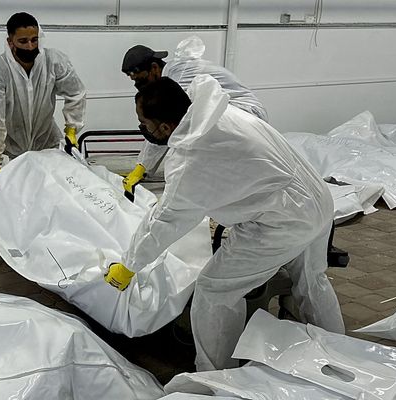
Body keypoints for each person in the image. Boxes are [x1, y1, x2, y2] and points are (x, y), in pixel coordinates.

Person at [104, 76, 344, 372]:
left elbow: (164, 222)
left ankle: (217, 374)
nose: (143, 129)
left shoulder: (191, 161)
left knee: (215, 290)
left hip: (285, 220)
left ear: (165, 127)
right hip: (318, 198)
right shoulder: (217, 112)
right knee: (311, 279)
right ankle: (338, 350)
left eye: (144, 124)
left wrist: (129, 265)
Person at [0, 12, 86, 279]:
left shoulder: (54, 62)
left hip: (44, 139)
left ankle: (50, 250)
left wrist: (71, 128)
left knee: (53, 194)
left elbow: (76, 92)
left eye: (34, 40)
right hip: (7, 145)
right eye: (23, 41)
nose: (30, 46)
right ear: (10, 41)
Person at [118, 36, 267, 199]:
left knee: (193, 134)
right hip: (236, 115)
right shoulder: (174, 73)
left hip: (246, 114)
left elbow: (163, 122)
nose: (140, 86)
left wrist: (141, 168)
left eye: (140, 80)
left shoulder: (178, 79)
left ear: (154, 67)